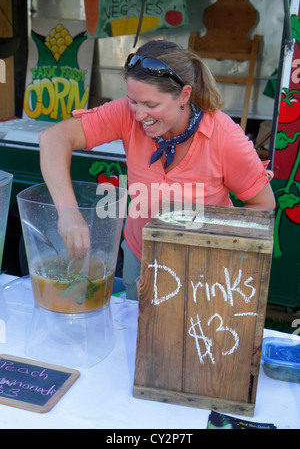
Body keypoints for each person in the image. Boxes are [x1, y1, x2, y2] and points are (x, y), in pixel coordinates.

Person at [38, 39, 275, 300]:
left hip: (200, 269)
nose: (139, 115)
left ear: (184, 95)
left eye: (151, 105)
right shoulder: (128, 114)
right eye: (133, 102)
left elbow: (262, 204)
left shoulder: (226, 138)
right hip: (139, 257)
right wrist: (68, 214)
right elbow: (53, 138)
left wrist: (216, 248)